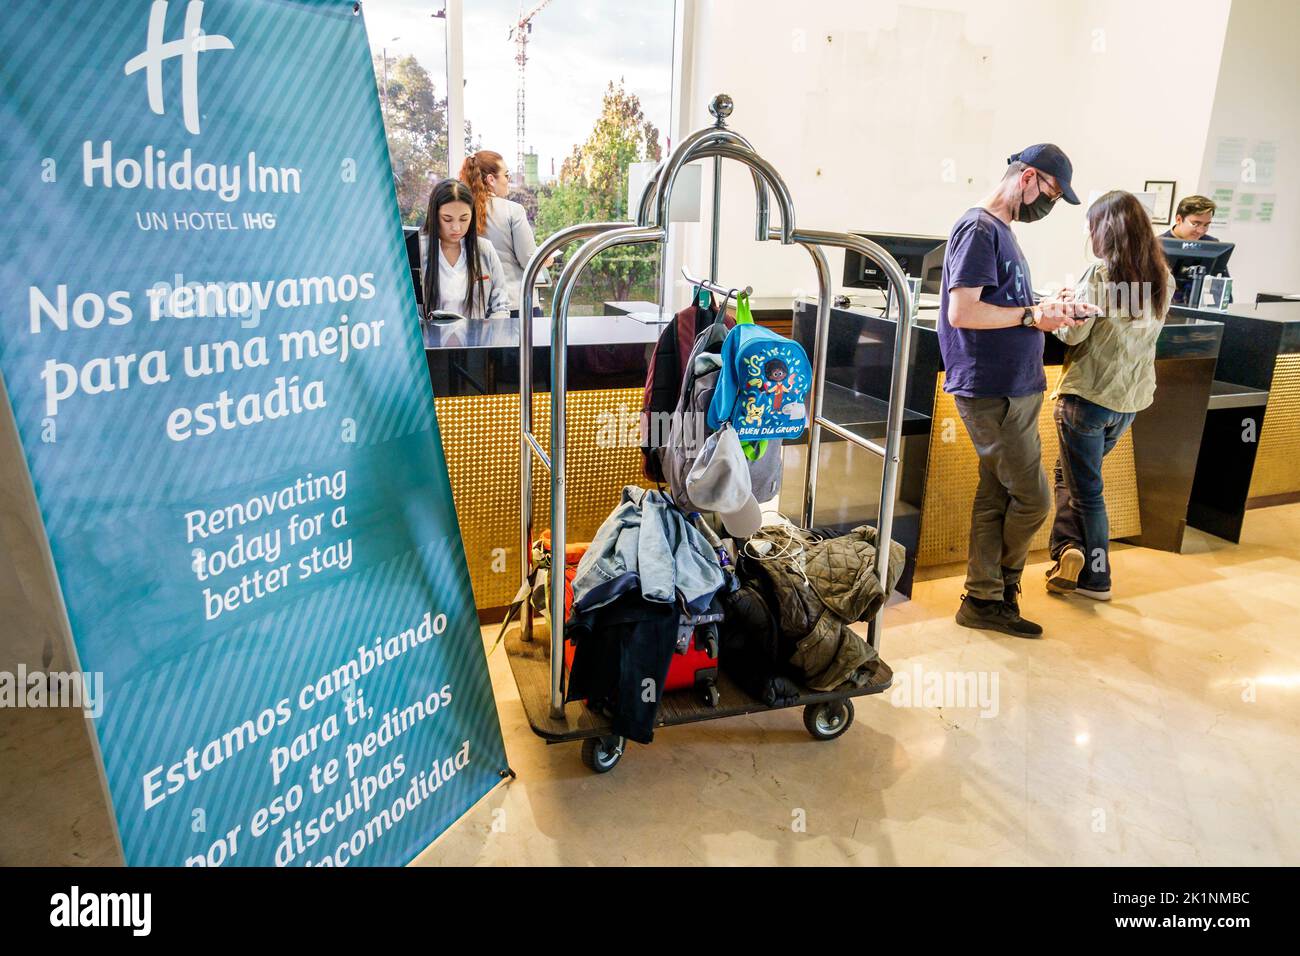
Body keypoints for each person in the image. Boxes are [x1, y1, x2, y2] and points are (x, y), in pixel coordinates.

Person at [938, 144, 1099, 638]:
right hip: (995, 389)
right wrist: (1033, 315)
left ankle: (983, 599)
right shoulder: (980, 228)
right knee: (1033, 499)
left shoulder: (1001, 231)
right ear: (1028, 177)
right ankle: (1002, 587)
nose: (1047, 205)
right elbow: (962, 313)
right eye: (1049, 193)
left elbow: (1000, 305)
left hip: (1014, 386)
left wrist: (1049, 305)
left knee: (998, 497)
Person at [1045, 191, 1174, 601]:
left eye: (1091, 224)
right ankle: (1071, 551)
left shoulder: (1099, 276)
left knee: (1088, 494)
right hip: (1128, 403)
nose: (1087, 232)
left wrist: (1060, 308)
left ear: (1106, 229)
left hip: (1088, 398)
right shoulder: (1162, 279)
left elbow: (1073, 333)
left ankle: (1097, 579)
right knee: (1074, 477)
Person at [460, 150, 549, 316]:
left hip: (476, 306)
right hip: (516, 304)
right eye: (506, 175)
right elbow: (529, 259)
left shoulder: (462, 213)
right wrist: (545, 259)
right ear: (491, 180)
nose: (508, 181)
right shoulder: (512, 211)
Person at [420, 178, 509, 320]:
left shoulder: (484, 250)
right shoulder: (418, 251)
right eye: (447, 219)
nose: (456, 228)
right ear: (434, 216)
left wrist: (488, 335)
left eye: (464, 219)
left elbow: (501, 306)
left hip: (477, 340)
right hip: (428, 341)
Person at [1160, 195, 1230, 305]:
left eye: (1206, 225)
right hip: (1164, 310)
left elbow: (1223, 293)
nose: (1201, 230)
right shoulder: (1156, 245)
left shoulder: (1212, 245)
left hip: (1198, 312)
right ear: (1179, 219)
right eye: (1195, 224)